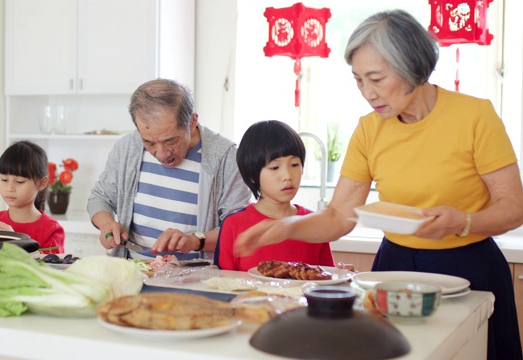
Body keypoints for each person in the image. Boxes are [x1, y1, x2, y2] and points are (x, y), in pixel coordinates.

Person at [234, 10, 523, 360]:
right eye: (358, 80)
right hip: (394, 266)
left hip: (468, 266)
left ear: (413, 67)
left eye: (376, 78)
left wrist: (463, 222)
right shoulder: (369, 129)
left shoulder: (475, 116)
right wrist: (284, 227)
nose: (368, 93)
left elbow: (513, 207)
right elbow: (340, 216)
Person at [87, 78, 252, 260]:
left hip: (197, 279)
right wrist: (107, 225)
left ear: (192, 122)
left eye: (170, 141)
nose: (161, 154)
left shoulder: (225, 157)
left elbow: (238, 228)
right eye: (149, 142)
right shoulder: (127, 148)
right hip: (133, 273)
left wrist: (195, 241)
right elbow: (100, 198)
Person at [214, 120, 334, 271]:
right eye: (275, 167)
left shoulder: (314, 224)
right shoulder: (233, 224)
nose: (287, 176)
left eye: (295, 165)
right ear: (252, 176)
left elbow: (326, 281)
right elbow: (223, 285)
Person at [0, 140, 65, 254]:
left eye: (19, 181)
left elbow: (51, 267)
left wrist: (16, 242)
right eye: (4, 179)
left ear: (42, 183)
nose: (10, 188)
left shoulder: (51, 230)